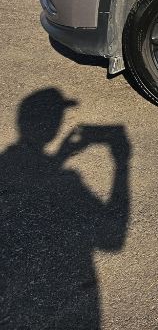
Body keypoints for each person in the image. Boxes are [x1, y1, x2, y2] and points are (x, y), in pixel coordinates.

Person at [0, 88, 131, 330]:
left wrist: (59, 157)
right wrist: (121, 163)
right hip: (56, 308)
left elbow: (25, 192)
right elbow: (112, 240)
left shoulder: (7, 165)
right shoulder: (68, 182)